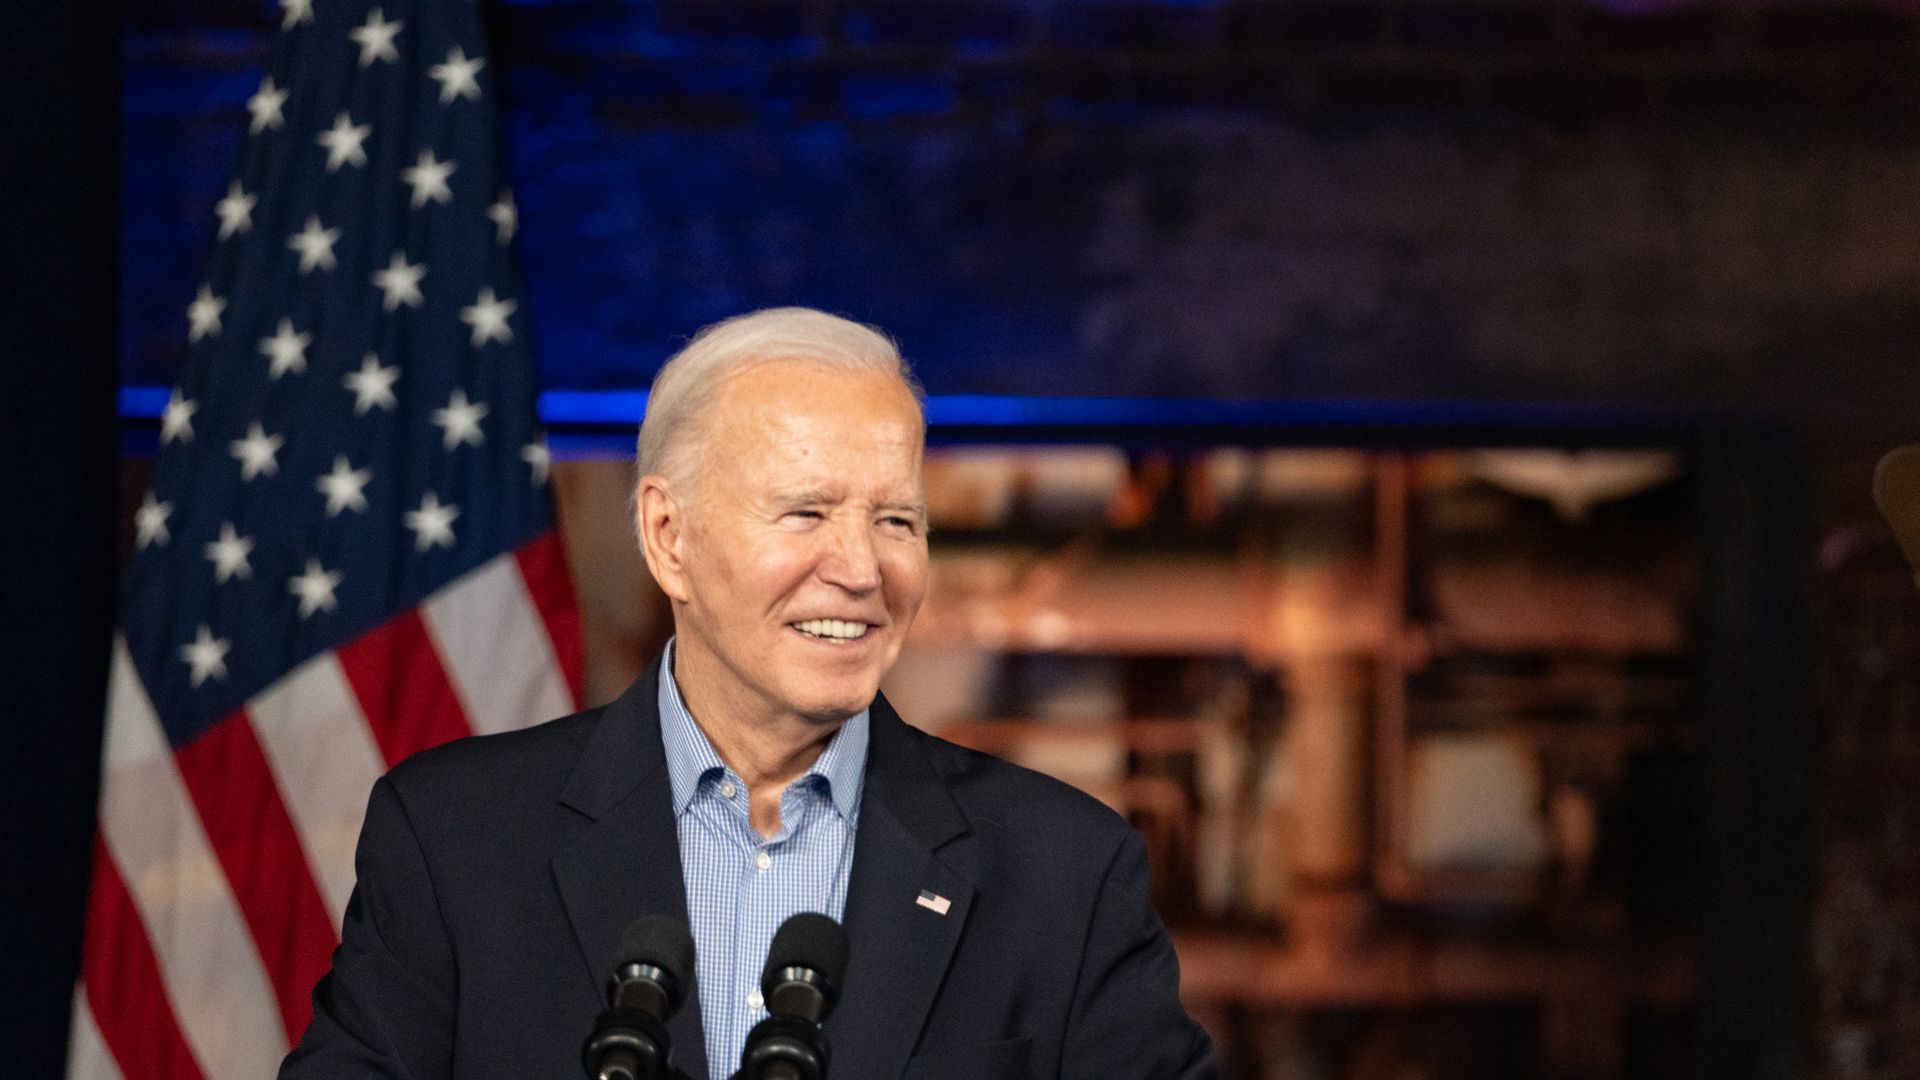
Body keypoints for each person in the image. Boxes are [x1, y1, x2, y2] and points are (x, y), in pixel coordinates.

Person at [281, 308, 1217, 1080]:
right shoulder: (454, 840)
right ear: (667, 537)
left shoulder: (1066, 873)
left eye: (896, 519)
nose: (860, 568)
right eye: (806, 512)